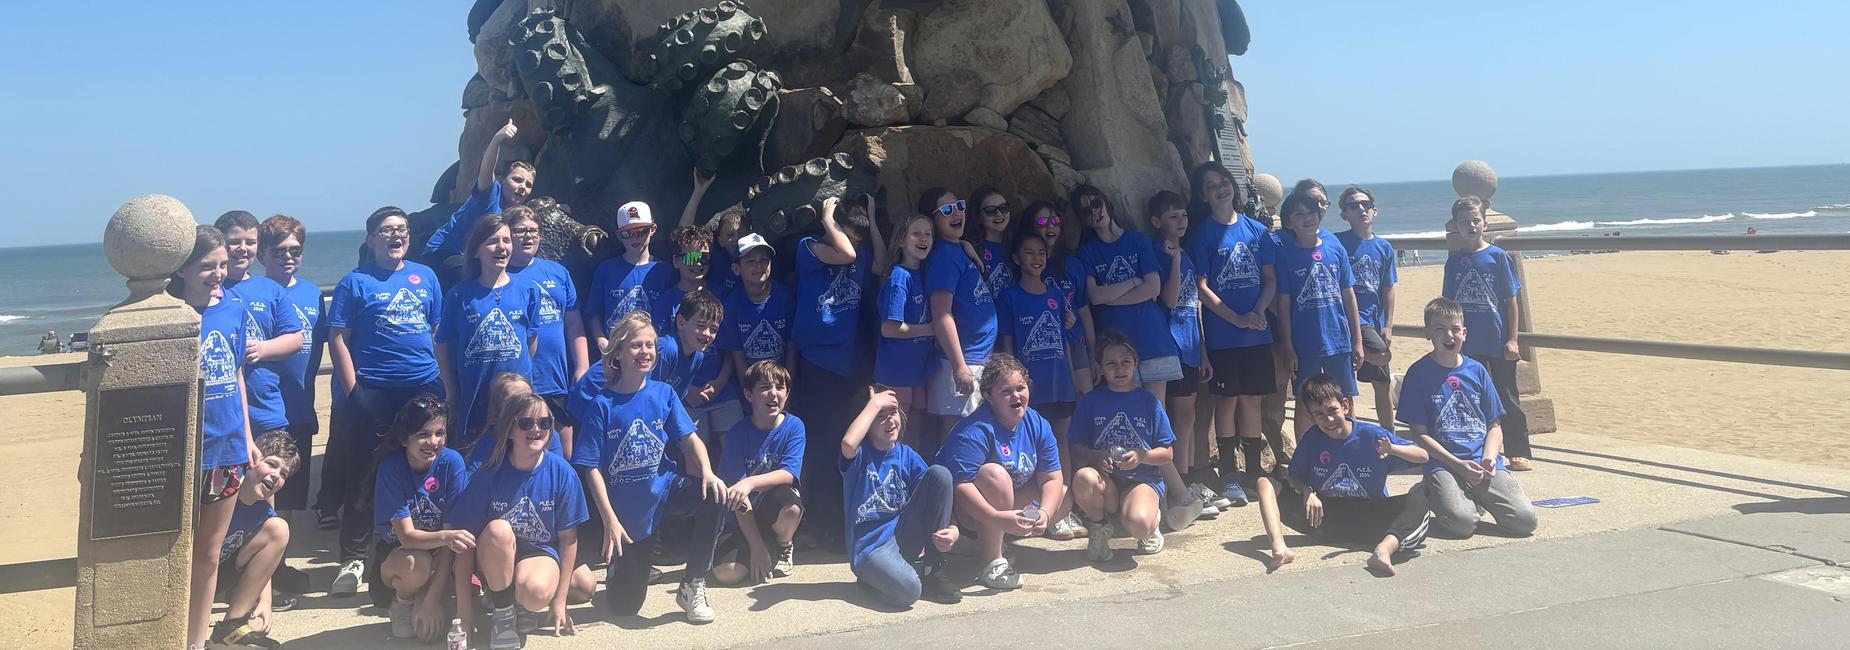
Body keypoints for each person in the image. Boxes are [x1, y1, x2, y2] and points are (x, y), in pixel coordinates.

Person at [569, 312, 728, 623]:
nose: (645, 352)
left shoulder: (663, 393)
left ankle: (694, 582)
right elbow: (591, 468)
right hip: (628, 513)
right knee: (625, 607)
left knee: (714, 497)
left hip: (666, 490)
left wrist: (708, 472)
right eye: (636, 346)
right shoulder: (602, 404)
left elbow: (690, 438)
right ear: (617, 354)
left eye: (650, 345)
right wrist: (609, 519)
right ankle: (619, 569)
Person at [327, 207, 446, 597]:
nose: (396, 236)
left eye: (402, 230)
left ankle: (421, 542)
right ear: (370, 239)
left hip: (423, 387)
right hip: (374, 390)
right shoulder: (354, 282)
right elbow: (338, 337)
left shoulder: (425, 276)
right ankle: (353, 557)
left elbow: (435, 330)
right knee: (365, 472)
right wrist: (353, 392)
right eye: (387, 230)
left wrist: (443, 382)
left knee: (426, 465)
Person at [448, 391, 593, 649]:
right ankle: (503, 615)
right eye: (526, 423)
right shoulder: (489, 474)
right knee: (499, 530)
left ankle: (519, 603)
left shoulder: (562, 472)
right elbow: (465, 543)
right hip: (493, 556)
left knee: (538, 593)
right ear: (509, 430)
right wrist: (463, 611)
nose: (536, 429)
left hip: (538, 555)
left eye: (544, 423)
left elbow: (569, 539)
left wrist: (559, 601)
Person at [1255, 374, 1432, 576]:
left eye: (1332, 410)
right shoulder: (1312, 439)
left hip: (1370, 518)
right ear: (1312, 417)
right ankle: (1280, 549)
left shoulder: (1371, 435)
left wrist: (1392, 449)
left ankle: (1384, 550)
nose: (1328, 419)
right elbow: (1294, 475)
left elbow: (1423, 456)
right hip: (1322, 518)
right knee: (1265, 482)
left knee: (1419, 502)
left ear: (1345, 405)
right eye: (1319, 414)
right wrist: (1307, 491)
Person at [172, 225, 255, 650]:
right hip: (180, 452)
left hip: (227, 448)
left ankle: (195, 642)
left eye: (222, 264)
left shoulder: (234, 309)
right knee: (173, 551)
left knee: (208, 554)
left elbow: (237, 375)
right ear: (183, 268)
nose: (218, 273)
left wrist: (247, 436)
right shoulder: (170, 316)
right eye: (207, 266)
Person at [1398, 298, 1539, 539]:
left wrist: (1489, 458)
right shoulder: (1418, 374)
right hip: (1444, 463)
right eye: (1439, 328)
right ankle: (1431, 492)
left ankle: (1470, 496)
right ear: (1428, 334)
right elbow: (1419, 433)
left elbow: (1494, 426)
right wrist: (1458, 466)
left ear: (1464, 333)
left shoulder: (1477, 371)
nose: (1448, 335)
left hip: (1480, 462)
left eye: (1454, 329)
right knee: (1462, 525)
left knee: (1525, 522)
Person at [790, 195, 883, 550]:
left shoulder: (859, 254)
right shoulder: (808, 247)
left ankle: (839, 524)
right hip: (817, 362)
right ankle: (815, 523)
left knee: (846, 445)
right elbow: (846, 254)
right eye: (851, 233)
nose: (856, 242)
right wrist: (828, 219)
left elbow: (880, 263)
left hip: (849, 365)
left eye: (860, 236)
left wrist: (872, 220)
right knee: (819, 445)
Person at [1186, 162, 1277, 506]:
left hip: (1257, 333)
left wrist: (1256, 313)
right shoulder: (1202, 234)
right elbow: (1201, 287)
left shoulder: (1257, 231)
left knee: (1252, 399)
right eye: (1211, 186)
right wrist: (1234, 318)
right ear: (1204, 195)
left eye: (1223, 182)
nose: (1220, 189)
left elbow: (1269, 279)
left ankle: (1254, 471)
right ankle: (1229, 473)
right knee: (1227, 402)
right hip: (1224, 335)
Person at [937, 354, 1065, 590]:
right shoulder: (974, 430)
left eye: (1021, 388)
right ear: (988, 397)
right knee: (994, 475)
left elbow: (1052, 477)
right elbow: (960, 487)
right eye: (1006, 391)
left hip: (1006, 500)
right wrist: (996, 518)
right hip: (963, 513)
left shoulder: (1037, 423)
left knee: (1063, 494)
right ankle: (990, 561)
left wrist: (1045, 513)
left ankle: (988, 541)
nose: (1016, 396)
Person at [992, 232, 1083, 539]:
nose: (1036, 258)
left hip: (1060, 382)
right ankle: (1033, 512)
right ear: (1017, 259)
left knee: (1062, 443)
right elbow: (1007, 345)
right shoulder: (1009, 296)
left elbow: (1063, 342)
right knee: (1032, 449)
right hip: (1030, 387)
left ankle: (1063, 511)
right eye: (1029, 252)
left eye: (1041, 253)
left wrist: (1070, 376)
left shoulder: (1055, 292)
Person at [366, 394, 474, 641]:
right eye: (423, 434)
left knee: (430, 633)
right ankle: (402, 601)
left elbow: (453, 540)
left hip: (440, 559)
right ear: (405, 438)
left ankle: (429, 597)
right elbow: (407, 536)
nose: (433, 441)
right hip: (400, 557)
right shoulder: (391, 468)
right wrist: (447, 537)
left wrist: (431, 601)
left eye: (440, 433)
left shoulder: (452, 462)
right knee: (416, 563)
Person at [841, 386, 962, 606]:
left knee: (940, 474)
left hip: (902, 536)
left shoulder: (906, 454)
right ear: (867, 420)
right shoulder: (860, 455)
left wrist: (953, 528)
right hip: (871, 547)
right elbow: (848, 444)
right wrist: (874, 403)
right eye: (879, 416)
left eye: (892, 413)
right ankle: (873, 579)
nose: (889, 421)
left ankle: (931, 569)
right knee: (909, 592)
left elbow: (936, 493)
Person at [435, 214, 544, 456]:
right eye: (493, 241)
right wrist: (451, 390)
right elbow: (443, 345)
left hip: (518, 397)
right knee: (475, 462)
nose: (501, 247)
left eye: (506, 240)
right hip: (475, 396)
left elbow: (530, 341)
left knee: (520, 455)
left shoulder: (527, 290)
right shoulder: (459, 295)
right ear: (476, 251)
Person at [215, 211, 307, 494]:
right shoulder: (210, 287)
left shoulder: (269, 289)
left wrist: (263, 349)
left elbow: (295, 338)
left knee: (268, 485)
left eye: (250, 242)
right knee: (224, 487)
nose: (243, 249)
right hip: (223, 410)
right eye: (234, 241)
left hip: (266, 407)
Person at [1149, 191, 1226, 513]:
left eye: (1183, 215)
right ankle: (1176, 484)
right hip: (1169, 345)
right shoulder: (1158, 252)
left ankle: (1190, 479)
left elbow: (1194, 306)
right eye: (1172, 217)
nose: (1180, 222)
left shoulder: (1187, 252)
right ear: (1157, 222)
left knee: (1189, 416)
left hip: (1192, 346)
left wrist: (1204, 351)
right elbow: (1168, 299)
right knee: (1174, 418)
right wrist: (1176, 261)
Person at [1069, 334, 1177, 561]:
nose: (1119, 369)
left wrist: (1142, 455)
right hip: (1105, 481)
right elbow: (1075, 447)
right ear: (1100, 368)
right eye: (1111, 364)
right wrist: (1095, 456)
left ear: (1135, 364)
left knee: (1139, 524)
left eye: (1126, 362)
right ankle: (1099, 527)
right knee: (1083, 477)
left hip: (1141, 478)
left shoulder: (1149, 401)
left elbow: (1167, 453)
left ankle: (1151, 521)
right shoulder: (1091, 401)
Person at [1445, 196, 1534, 471]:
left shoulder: (1498, 257)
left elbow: (1510, 300)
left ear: (1484, 222)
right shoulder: (1454, 261)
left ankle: (1519, 450)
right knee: (1476, 396)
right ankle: (1482, 449)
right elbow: (1449, 304)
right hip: (1468, 343)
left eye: (1475, 220)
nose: (1471, 226)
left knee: (1507, 396)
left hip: (1497, 340)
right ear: (1456, 226)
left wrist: (1512, 338)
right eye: (1464, 222)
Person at [1072, 185, 1183, 398]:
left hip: (1152, 338)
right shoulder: (1086, 251)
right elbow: (1094, 296)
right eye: (1087, 211)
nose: (1096, 212)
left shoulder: (1137, 239)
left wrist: (1110, 298)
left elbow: (1153, 288)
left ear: (1107, 203)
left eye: (1097, 203)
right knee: (1129, 415)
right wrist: (1133, 282)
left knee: (1156, 415)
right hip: (1115, 347)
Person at [1273, 193, 1363, 439]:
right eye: (1298, 214)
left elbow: (1349, 296)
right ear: (1289, 223)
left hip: (1338, 341)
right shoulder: (1286, 256)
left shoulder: (1335, 248)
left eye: (1310, 212)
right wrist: (1288, 346)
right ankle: (1306, 456)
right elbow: (1283, 303)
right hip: (1305, 344)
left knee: (1344, 398)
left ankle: (1349, 447)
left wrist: (1357, 340)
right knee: (1304, 401)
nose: (1306, 218)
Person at [711, 360, 807, 585]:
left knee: (792, 507)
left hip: (772, 507)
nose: (773, 394)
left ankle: (783, 544)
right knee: (727, 574)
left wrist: (751, 482)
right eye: (765, 387)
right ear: (749, 395)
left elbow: (789, 474)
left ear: (787, 393)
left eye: (780, 388)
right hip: (740, 516)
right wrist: (756, 548)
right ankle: (763, 545)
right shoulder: (736, 434)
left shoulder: (794, 426)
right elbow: (738, 498)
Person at [256, 215, 325, 522]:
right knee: (263, 483)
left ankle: (280, 560)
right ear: (262, 254)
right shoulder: (253, 292)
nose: (288, 257)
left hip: (300, 405)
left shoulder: (311, 292)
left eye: (294, 250)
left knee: (291, 488)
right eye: (278, 250)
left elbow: (320, 341)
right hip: (265, 408)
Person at [506, 205, 591, 455]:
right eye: (520, 230)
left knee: (563, 453)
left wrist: (581, 367)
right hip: (518, 383)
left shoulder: (558, 272)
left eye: (534, 230)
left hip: (555, 380)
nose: (528, 236)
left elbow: (574, 323)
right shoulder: (498, 275)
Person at [206, 431, 301, 649]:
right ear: (252, 459)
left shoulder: (263, 513)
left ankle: (231, 627)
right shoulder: (221, 491)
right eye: (271, 464)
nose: (277, 475)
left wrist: (265, 600)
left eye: (284, 473)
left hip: (221, 572)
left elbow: (265, 562)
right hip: (193, 572)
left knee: (278, 529)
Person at [921, 188, 999, 449]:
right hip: (960, 360)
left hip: (977, 357)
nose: (956, 213)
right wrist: (959, 366)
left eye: (959, 206)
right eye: (946, 210)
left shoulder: (958, 250)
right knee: (957, 434)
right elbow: (941, 313)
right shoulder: (943, 258)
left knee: (975, 433)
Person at [423, 118, 536, 285]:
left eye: (528, 185)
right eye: (517, 180)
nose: (522, 187)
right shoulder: (491, 194)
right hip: (446, 252)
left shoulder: (514, 212)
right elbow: (487, 170)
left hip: (475, 257)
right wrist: (497, 140)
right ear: (502, 179)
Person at [1015, 201, 1097, 399]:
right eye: (1043, 221)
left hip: (1074, 341)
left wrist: (1093, 353)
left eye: (1055, 221)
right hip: (1039, 348)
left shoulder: (1073, 264)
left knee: (1084, 401)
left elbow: (1084, 310)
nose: (1050, 226)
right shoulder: (1025, 264)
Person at [1334, 187, 1398, 427]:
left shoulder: (1384, 247)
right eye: (1353, 206)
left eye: (1365, 204)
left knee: (1381, 382)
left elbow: (1388, 288)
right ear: (1344, 214)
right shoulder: (1338, 242)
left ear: (1374, 210)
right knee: (1346, 385)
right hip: (1347, 320)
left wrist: (1389, 325)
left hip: (1373, 320)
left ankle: (1388, 433)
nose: (1361, 209)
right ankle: (1348, 432)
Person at [716, 232, 794, 425]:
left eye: (764, 261)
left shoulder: (784, 297)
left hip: (782, 386)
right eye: (751, 261)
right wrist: (750, 394)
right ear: (736, 268)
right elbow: (737, 356)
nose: (759, 266)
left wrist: (788, 388)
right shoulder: (732, 305)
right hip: (752, 389)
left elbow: (792, 347)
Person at [874, 213, 939, 433]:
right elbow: (890, 328)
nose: (923, 239)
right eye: (916, 234)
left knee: (914, 433)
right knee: (894, 432)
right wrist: (931, 329)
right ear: (901, 241)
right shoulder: (899, 277)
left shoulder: (926, 273)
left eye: (928, 234)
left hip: (918, 372)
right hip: (896, 372)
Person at [587, 201, 673, 350]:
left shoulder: (665, 270)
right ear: (619, 236)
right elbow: (593, 313)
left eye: (640, 231)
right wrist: (601, 340)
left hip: (653, 352)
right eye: (627, 233)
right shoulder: (606, 270)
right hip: (616, 351)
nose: (634, 238)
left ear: (652, 229)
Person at [652, 224, 715, 336]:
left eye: (704, 258)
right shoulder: (665, 302)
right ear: (676, 261)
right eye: (691, 258)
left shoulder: (720, 296)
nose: (698, 263)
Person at [964, 186, 1017, 295]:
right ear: (978, 216)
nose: (999, 214)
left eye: (1004, 208)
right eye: (991, 211)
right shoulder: (969, 249)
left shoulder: (1017, 245)